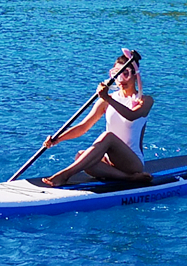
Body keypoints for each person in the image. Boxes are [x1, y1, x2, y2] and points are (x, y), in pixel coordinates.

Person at [33, 51, 153, 188]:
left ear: (135, 75)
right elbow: (83, 126)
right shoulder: (107, 100)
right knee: (81, 156)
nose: (121, 79)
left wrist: (107, 98)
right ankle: (130, 178)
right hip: (109, 161)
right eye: (116, 74)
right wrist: (57, 139)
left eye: (125, 73)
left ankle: (64, 175)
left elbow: (131, 115)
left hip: (133, 162)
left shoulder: (145, 100)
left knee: (108, 136)